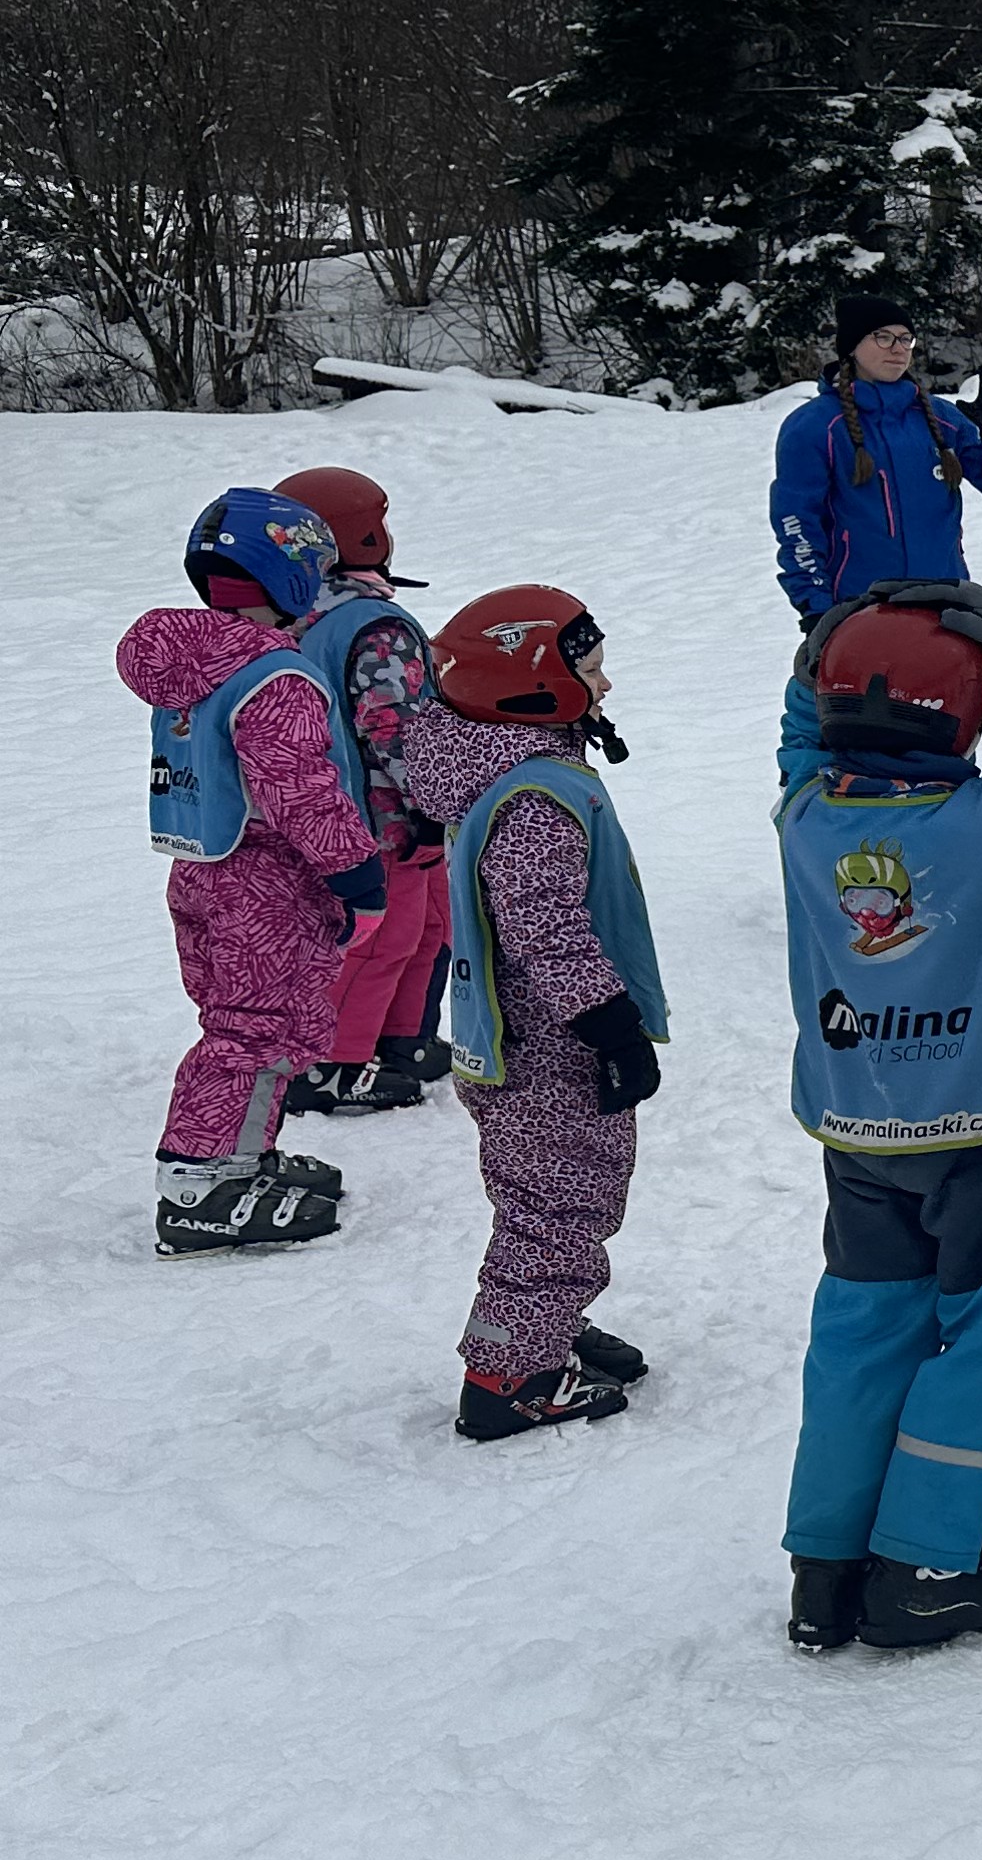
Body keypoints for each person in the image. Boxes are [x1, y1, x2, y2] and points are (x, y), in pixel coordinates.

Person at [772, 579, 982, 1652]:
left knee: (863, 1330)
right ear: (964, 716)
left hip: (859, 1132)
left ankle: (827, 1567)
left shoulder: (805, 817)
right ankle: (931, 1568)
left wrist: (823, 654)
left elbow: (800, 742)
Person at [421, 585, 667, 1438]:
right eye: (591, 670)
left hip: (517, 1036)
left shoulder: (496, 764)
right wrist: (610, 1027)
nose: (607, 685)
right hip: (548, 1046)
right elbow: (546, 930)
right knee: (558, 1208)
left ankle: (543, 1325)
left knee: (550, 1198)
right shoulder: (532, 798)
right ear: (532, 684)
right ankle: (509, 1375)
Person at [120, 491, 382, 1254]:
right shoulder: (275, 677)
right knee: (255, 1033)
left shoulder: (193, 666)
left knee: (246, 1023)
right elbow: (300, 789)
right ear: (291, 578)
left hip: (202, 871)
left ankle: (242, 1155)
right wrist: (354, 870)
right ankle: (202, 1187)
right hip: (264, 885)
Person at [274, 466, 451, 1117]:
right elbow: (396, 728)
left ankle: (401, 1039)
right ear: (363, 536)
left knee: (428, 927)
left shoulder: (297, 617)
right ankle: (332, 1066)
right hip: (383, 820)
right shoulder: (374, 626)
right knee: (382, 941)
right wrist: (431, 802)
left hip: (345, 815)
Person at [768, 293, 982, 617]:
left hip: (946, 607)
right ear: (851, 346)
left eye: (906, 338)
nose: (898, 348)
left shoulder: (941, 419)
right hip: (858, 612)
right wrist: (817, 610)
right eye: (883, 337)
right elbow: (797, 525)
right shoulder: (814, 427)